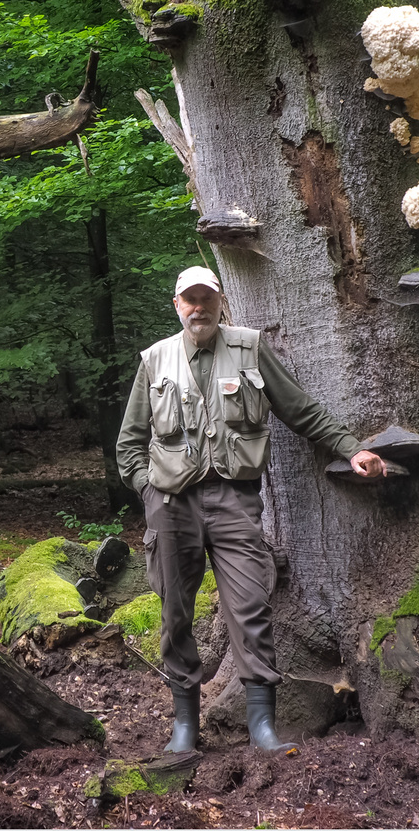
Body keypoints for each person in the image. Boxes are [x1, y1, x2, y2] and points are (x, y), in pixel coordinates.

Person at [116, 265, 383, 753]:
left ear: (221, 302)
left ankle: (262, 726)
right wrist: (148, 491)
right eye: (189, 299)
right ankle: (184, 728)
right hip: (171, 505)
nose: (199, 307)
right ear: (177, 305)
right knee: (175, 612)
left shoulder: (250, 347)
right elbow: (130, 441)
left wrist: (351, 448)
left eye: (207, 298)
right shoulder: (155, 360)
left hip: (234, 500)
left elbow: (299, 409)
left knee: (251, 608)